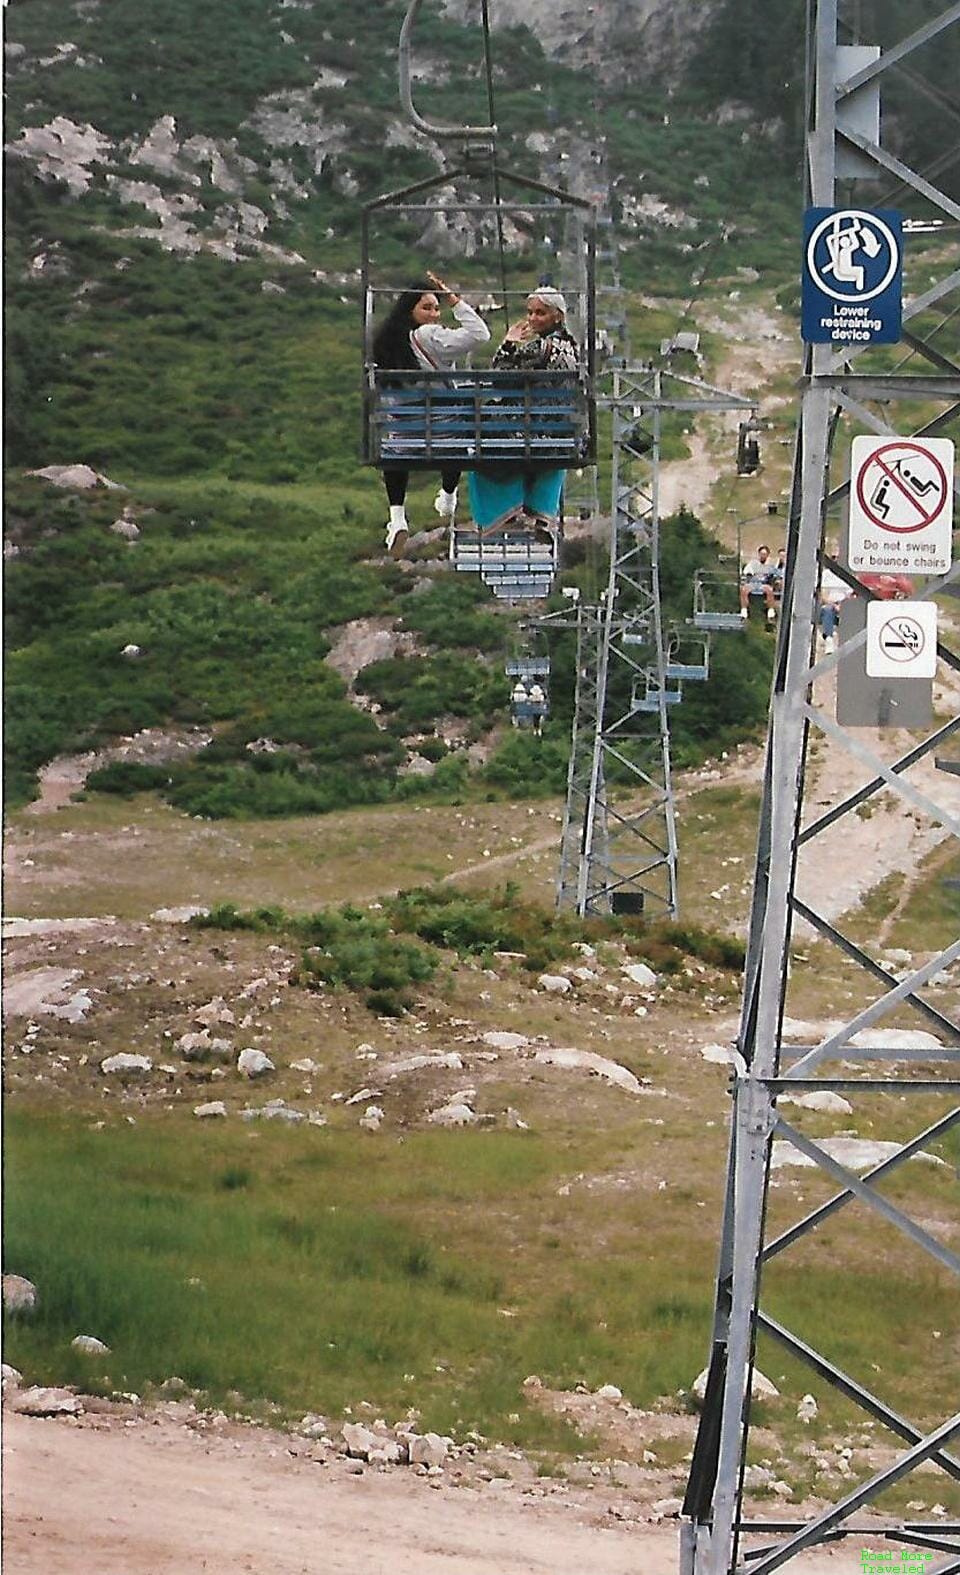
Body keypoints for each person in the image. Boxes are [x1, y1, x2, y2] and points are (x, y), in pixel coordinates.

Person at [372, 270, 490, 556]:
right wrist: (452, 299)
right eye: (428, 307)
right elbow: (480, 334)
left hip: (403, 436)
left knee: (396, 446)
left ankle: (397, 518)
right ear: (410, 311)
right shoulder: (429, 336)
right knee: (457, 431)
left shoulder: (389, 344)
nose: (435, 314)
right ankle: (448, 495)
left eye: (437, 307)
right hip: (443, 433)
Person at [466, 287, 581, 541]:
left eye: (540, 313)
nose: (532, 318)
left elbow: (498, 377)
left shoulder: (540, 348)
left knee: (478, 448)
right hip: (562, 433)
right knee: (545, 459)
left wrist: (508, 342)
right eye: (530, 313)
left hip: (535, 432)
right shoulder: (572, 346)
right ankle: (540, 513)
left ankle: (504, 512)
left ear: (557, 316)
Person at [739, 544, 778, 623]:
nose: (763, 556)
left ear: (767, 555)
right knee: (744, 590)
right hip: (753, 583)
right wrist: (750, 575)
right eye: (762, 554)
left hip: (763, 584)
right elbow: (747, 572)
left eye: (765, 554)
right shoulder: (753, 564)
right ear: (759, 554)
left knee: (769, 590)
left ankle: (770, 613)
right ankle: (744, 612)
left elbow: (774, 575)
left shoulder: (770, 566)